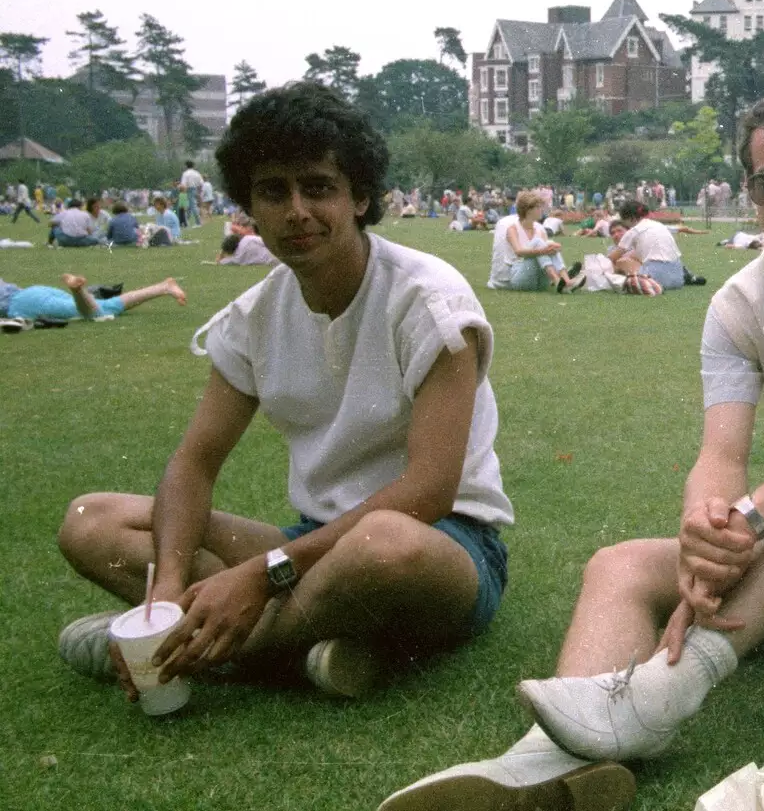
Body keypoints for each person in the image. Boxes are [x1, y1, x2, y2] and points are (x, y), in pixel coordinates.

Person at [383, 81, 764, 811]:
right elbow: (719, 455)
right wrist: (706, 534)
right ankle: (551, 763)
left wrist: (750, 521)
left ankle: (676, 684)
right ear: (748, 188)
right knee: (619, 566)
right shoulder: (736, 303)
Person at [55, 82, 513, 703]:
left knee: (382, 545)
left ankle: (220, 655)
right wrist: (161, 596)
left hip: (440, 542)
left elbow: (429, 489)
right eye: (273, 191)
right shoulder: (253, 318)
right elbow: (194, 462)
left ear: (360, 197)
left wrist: (260, 577)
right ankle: (279, 646)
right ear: (250, 207)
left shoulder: (429, 301)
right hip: (313, 544)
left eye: (318, 187)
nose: (296, 209)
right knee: (90, 519)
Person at [2, 272, 185, 331]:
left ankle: (77, 289)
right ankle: (164, 287)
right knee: (104, 308)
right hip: (30, 294)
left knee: (96, 312)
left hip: (22, 304)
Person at [488, 192, 571, 292]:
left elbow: (548, 254)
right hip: (520, 276)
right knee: (538, 242)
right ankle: (557, 279)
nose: (541, 210)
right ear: (528, 210)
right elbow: (518, 252)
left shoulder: (540, 229)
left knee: (548, 244)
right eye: (538, 207)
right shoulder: (512, 229)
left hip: (540, 282)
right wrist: (542, 251)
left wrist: (554, 248)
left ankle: (566, 280)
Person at [608, 199, 686, 289]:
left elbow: (611, 258)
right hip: (678, 279)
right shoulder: (658, 225)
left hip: (657, 280)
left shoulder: (633, 231)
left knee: (621, 262)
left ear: (629, 218)